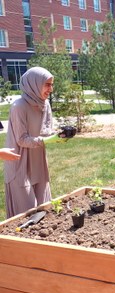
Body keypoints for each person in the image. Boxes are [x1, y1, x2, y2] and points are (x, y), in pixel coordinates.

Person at [3, 66, 63, 218]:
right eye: (47, 84)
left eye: (52, 84)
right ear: (34, 84)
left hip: (38, 161)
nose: (51, 89)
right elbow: (22, 140)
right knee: (25, 213)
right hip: (19, 163)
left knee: (44, 209)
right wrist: (47, 140)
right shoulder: (19, 107)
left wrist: (60, 135)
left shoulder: (45, 104)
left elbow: (46, 131)